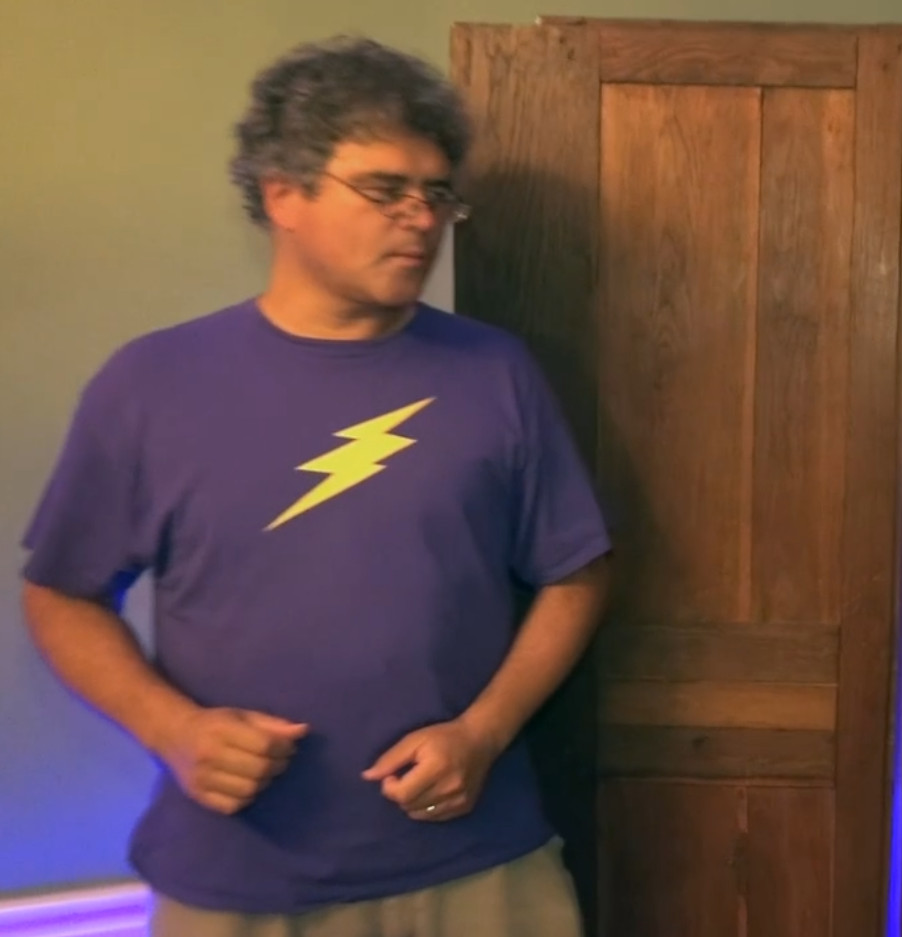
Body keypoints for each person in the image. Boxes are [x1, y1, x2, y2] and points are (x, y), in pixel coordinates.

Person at [17, 35, 611, 937]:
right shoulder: (152, 385)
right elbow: (62, 594)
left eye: (436, 193)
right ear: (281, 194)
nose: (420, 217)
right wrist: (175, 730)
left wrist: (484, 732)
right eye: (384, 189)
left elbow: (577, 573)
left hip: (480, 865)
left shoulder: (495, 373)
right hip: (239, 875)